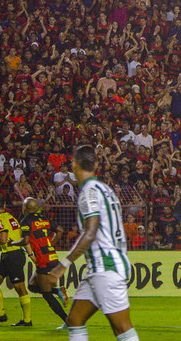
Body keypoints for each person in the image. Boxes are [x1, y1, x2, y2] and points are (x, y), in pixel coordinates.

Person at [43, 145, 139, 340]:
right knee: (75, 320)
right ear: (95, 165)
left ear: (74, 166)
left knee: (122, 328)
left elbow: (91, 232)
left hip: (106, 267)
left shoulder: (88, 192)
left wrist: (64, 265)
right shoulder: (106, 190)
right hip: (103, 265)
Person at [15, 197, 69, 328]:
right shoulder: (44, 219)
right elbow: (60, 230)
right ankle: (58, 291)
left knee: (46, 294)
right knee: (32, 286)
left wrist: (12, 243)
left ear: (26, 208)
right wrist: (51, 243)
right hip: (52, 257)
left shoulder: (26, 220)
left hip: (43, 260)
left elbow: (25, 240)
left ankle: (69, 321)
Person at [0, 197, 33, 326]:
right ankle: (1, 314)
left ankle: (27, 320)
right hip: (8, 256)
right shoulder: (11, 218)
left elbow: (3, 239)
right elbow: (21, 235)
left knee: (20, 288)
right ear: (4, 206)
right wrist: (31, 254)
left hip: (13, 255)